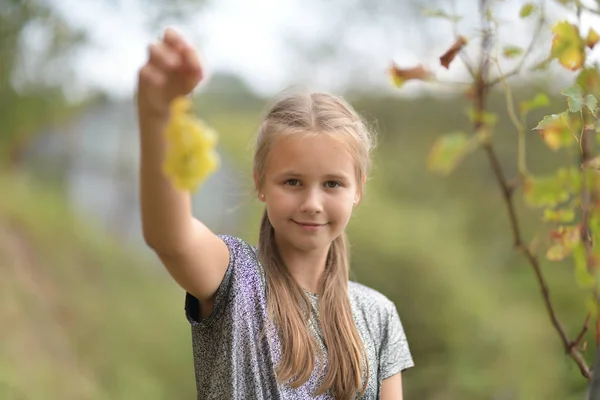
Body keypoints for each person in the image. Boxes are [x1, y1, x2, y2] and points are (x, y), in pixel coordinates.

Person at [136, 27, 414, 400]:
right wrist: (158, 115)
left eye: (332, 184)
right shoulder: (234, 278)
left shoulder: (378, 315)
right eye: (293, 182)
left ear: (358, 189)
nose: (312, 203)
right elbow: (169, 238)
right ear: (261, 183)